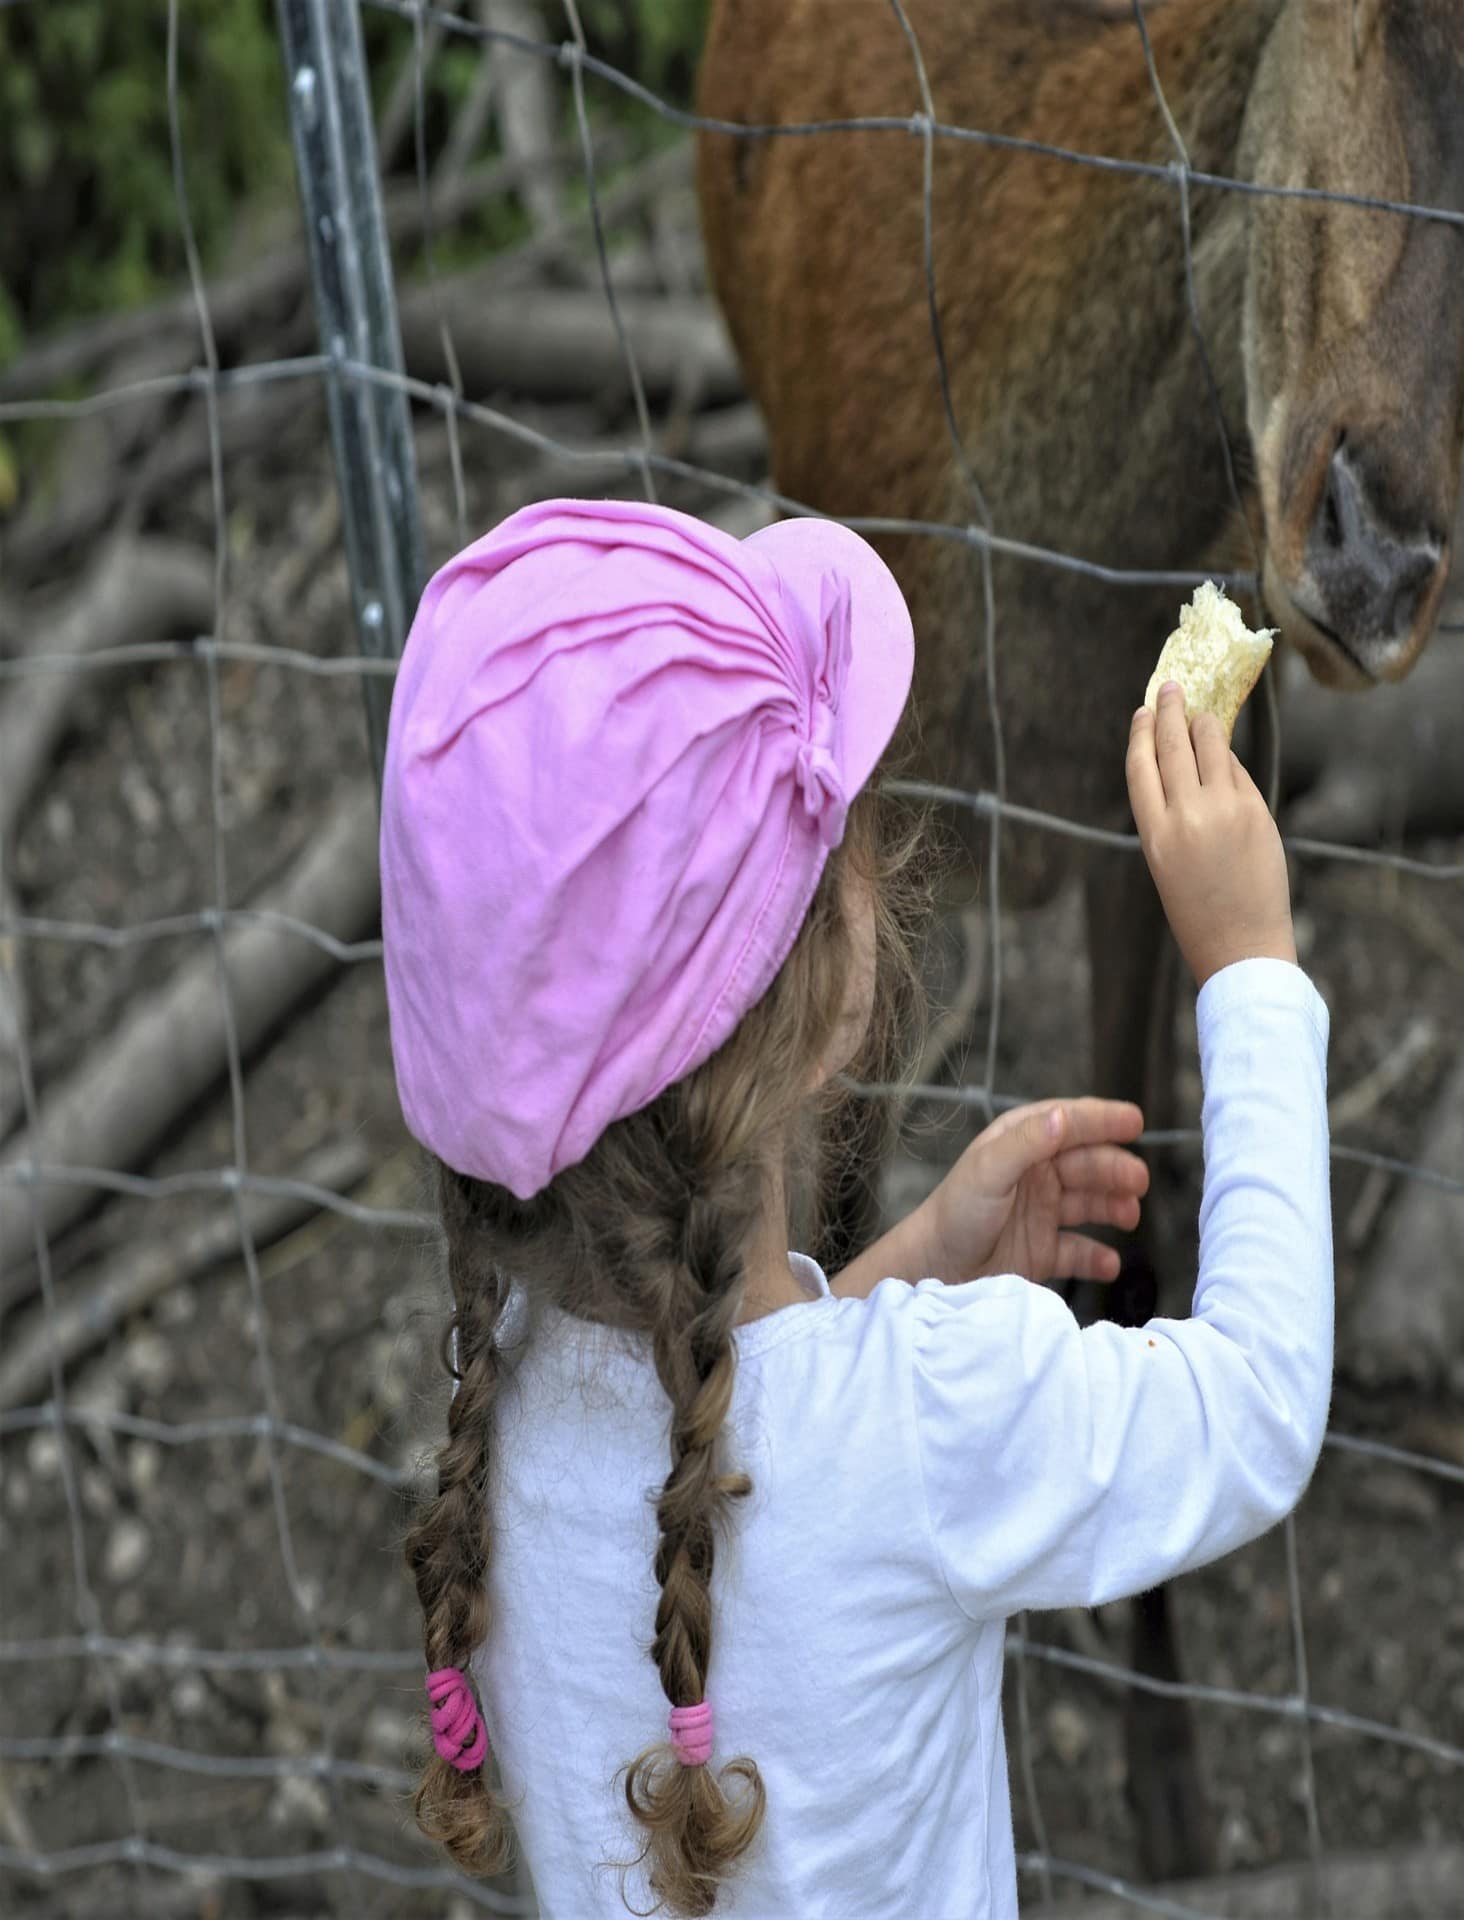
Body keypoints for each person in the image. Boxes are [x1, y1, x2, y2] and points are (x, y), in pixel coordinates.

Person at [380, 497, 1333, 1919]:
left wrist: (912, 1267)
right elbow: (1256, 1406)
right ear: (825, 995)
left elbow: (750, 1412)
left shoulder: (500, 1415)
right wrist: (1249, 966)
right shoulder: (938, 1416)